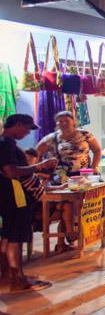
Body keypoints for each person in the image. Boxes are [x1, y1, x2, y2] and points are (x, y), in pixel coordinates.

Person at [1, 115, 58, 291]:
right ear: (18, 125)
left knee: (8, 235)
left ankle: (10, 274)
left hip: (9, 195)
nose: (27, 133)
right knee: (15, 237)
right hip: (15, 195)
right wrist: (39, 167)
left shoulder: (4, 142)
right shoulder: (7, 143)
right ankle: (17, 278)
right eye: (26, 129)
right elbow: (11, 171)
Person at [35, 111, 102, 248]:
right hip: (62, 179)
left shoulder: (85, 135)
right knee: (67, 204)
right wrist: (42, 171)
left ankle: (66, 239)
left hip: (83, 176)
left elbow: (97, 150)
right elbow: (37, 154)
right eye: (60, 121)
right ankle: (67, 236)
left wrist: (94, 166)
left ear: (74, 121)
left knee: (77, 206)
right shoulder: (52, 138)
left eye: (66, 120)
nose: (63, 123)